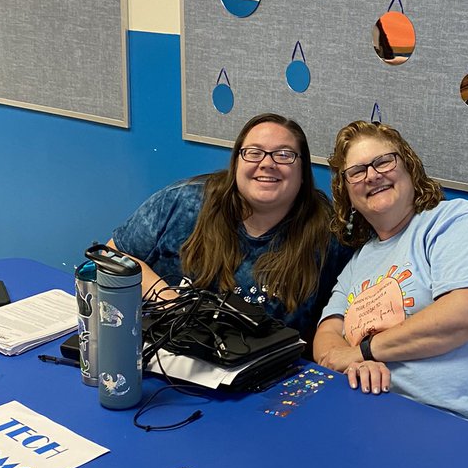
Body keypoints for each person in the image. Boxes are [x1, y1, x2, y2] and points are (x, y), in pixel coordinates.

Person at [313, 120, 468, 448]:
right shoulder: (360, 260)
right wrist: (350, 362)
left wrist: (364, 351)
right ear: (346, 192)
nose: (372, 175)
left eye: (383, 161)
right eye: (357, 171)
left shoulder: (457, 222)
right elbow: (327, 335)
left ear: (409, 168)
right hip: (389, 421)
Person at [109, 113, 348, 345]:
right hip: (166, 351)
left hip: (263, 374)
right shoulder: (183, 202)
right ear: (236, 163)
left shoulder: (328, 236)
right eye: (253, 153)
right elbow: (111, 256)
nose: (267, 163)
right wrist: (170, 301)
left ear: (303, 171)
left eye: (283, 155)